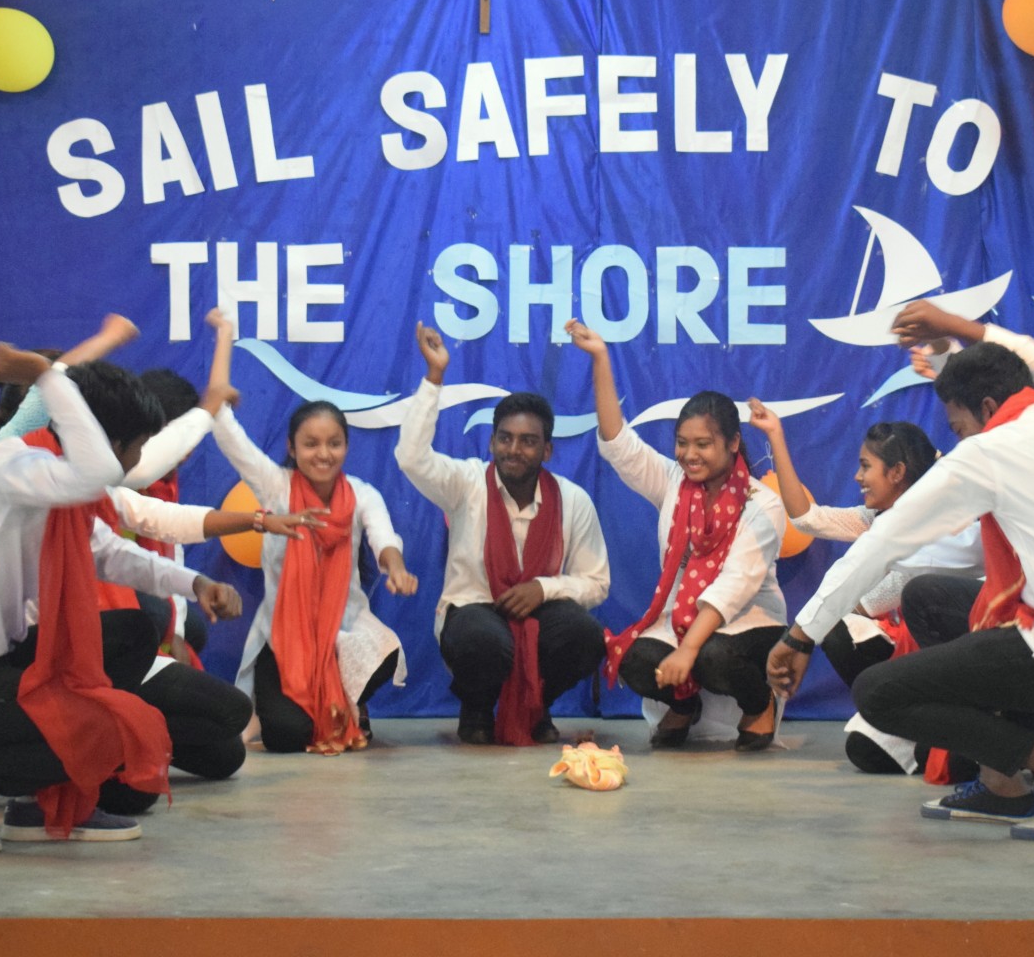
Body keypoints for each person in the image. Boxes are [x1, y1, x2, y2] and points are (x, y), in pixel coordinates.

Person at [781, 300, 1034, 842]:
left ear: (987, 409)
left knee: (879, 693)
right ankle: (1004, 785)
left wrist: (801, 635)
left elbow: (885, 543)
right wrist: (952, 328)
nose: (960, 440)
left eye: (959, 427)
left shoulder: (988, 455)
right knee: (930, 599)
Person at [0, 324, 245, 854]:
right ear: (110, 443)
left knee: (132, 632)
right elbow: (95, 470)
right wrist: (48, 376)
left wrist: (196, 583)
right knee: (105, 723)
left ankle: (37, 801)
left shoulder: (55, 484)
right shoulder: (14, 467)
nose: (137, 462)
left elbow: (111, 553)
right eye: (137, 447)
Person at [0, 313, 319, 814]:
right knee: (140, 631)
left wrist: (207, 572)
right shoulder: (9, 472)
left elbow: (135, 534)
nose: (136, 456)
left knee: (217, 746)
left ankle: (104, 739)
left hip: (52, 651)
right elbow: (57, 404)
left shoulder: (77, 489)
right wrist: (94, 346)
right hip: (5, 663)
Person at [567, 319, 789, 751]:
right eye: (682, 443)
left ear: (732, 443)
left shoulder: (763, 503)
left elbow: (734, 586)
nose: (689, 455)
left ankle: (758, 702)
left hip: (750, 621)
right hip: (681, 619)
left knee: (712, 656)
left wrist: (686, 651)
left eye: (703, 444)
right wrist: (601, 358)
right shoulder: (673, 481)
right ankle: (684, 706)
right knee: (632, 659)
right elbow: (619, 445)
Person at [395, 323, 611, 745]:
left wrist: (544, 588)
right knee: (483, 641)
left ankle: (537, 707)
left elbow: (597, 582)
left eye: (528, 442)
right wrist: (434, 377)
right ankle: (476, 708)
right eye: (506, 439)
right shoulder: (465, 483)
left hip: (539, 612)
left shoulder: (573, 500)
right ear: (492, 442)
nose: (514, 450)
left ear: (547, 450)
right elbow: (411, 458)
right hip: (472, 610)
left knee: (584, 637)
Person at [751, 404, 984, 777]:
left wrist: (799, 639)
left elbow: (865, 600)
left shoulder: (941, 525)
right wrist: (775, 435)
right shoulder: (877, 517)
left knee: (838, 627)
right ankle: (908, 719)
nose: (857, 476)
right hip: (917, 654)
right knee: (864, 750)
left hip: (970, 662)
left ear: (897, 472)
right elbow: (808, 519)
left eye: (865, 466)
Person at [215, 398, 419, 755]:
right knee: (286, 737)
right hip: (283, 635)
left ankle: (348, 701)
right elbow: (235, 444)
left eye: (334, 443)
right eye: (311, 444)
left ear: (346, 447)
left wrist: (397, 567)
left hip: (344, 627)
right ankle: (313, 706)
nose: (323, 454)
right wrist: (218, 404)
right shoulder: (275, 486)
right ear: (292, 448)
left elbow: (384, 539)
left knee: (386, 651)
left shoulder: (362, 494)